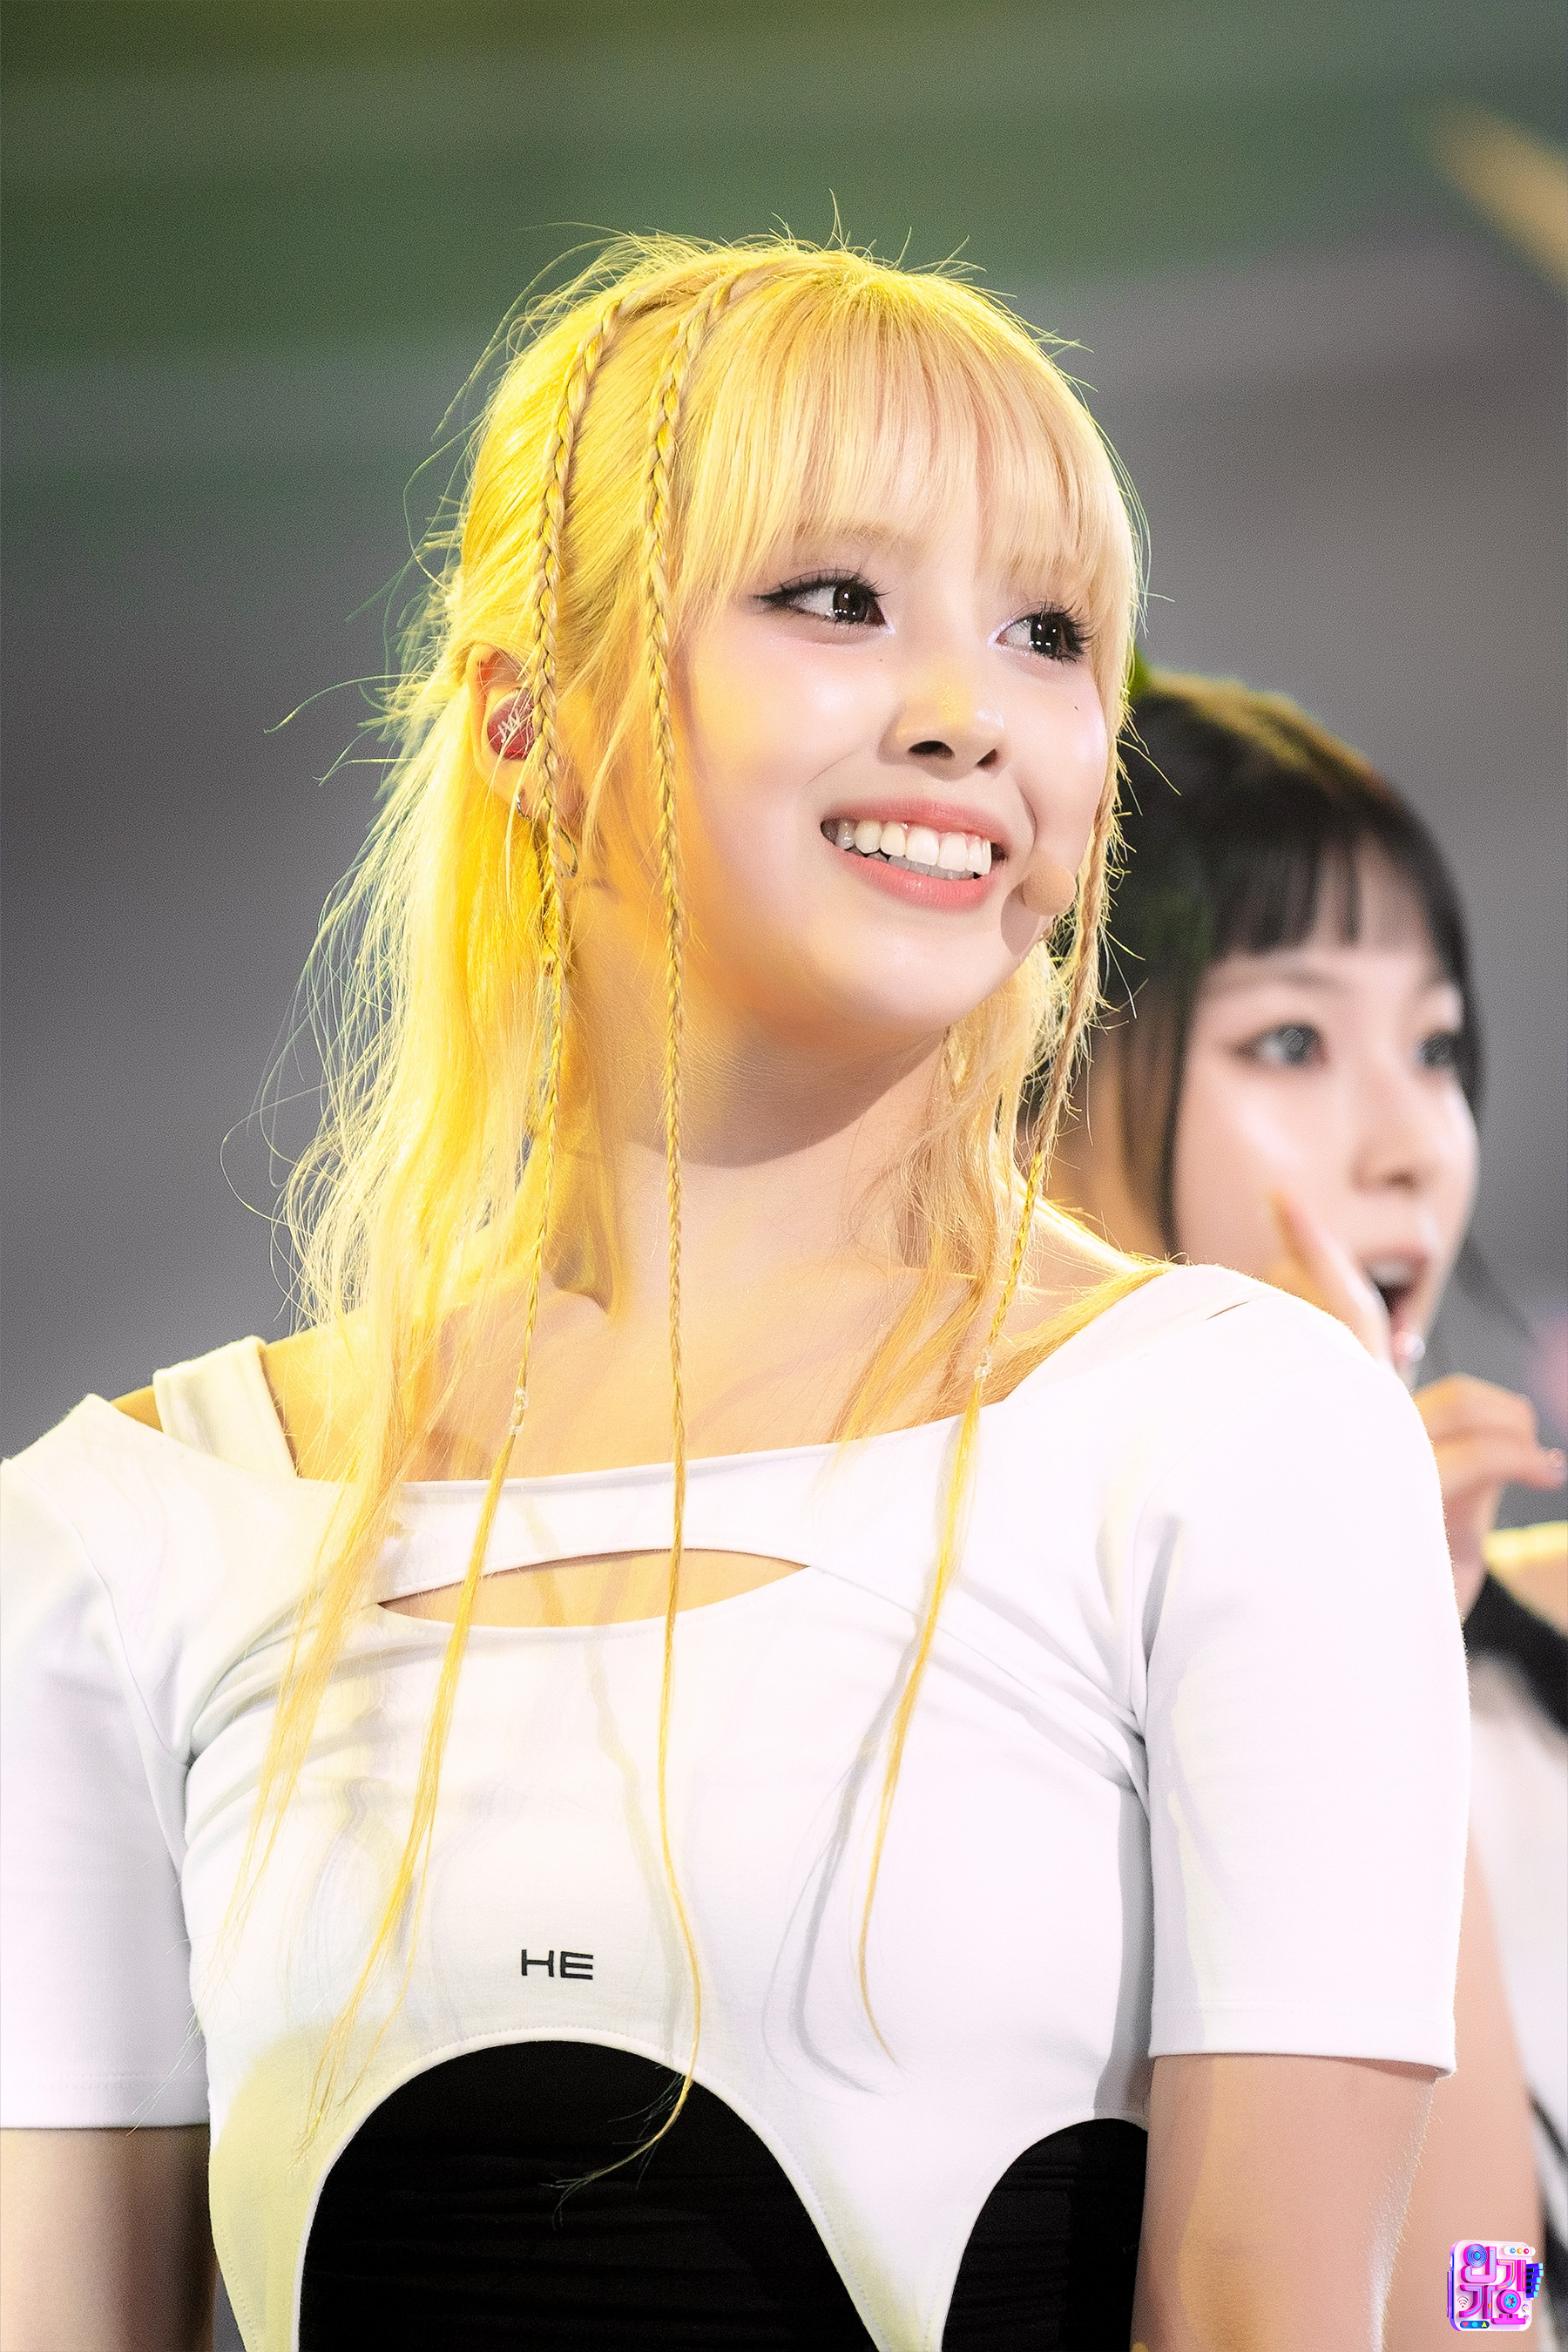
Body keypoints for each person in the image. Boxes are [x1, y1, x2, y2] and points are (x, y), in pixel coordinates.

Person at [1, 240, 1470, 2352]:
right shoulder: (122, 1537)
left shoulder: (1237, 1444)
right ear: (527, 717)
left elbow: (1368, 2305)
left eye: (1050, 634)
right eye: (836, 597)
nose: (967, 711)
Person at [1044, 664, 1567, 2348]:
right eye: (1291, 1039)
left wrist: (1391, 1636)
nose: (1414, 1143)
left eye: (1436, 1046)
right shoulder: (987, 1653)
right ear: (1047, 1089)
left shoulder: (1514, 1660)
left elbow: (1487, 2313)